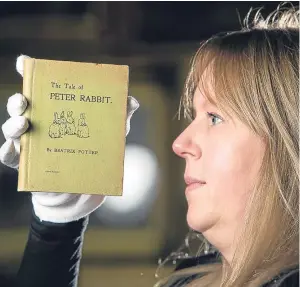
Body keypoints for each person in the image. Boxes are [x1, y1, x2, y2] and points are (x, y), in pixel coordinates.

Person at [0, 3, 299, 287]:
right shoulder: (185, 280)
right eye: (195, 115)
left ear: (289, 140)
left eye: (215, 117)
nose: (181, 144)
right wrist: (56, 223)